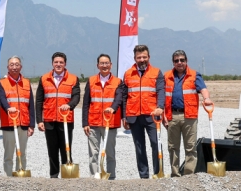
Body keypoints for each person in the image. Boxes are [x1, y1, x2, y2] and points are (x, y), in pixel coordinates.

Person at [164, 50, 213, 177]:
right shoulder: (167, 76)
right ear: (173, 62)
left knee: (190, 147)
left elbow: (203, 89)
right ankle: (175, 174)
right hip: (172, 116)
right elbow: (162, 96)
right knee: (173, 147)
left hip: (189, 116)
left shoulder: (195, 75)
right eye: (176, 60)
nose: (179, 63)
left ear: (186, 61)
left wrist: (206, 98)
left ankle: (188, 175)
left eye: (182, 60)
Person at [121, 44, 165, 179]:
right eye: (139, 57)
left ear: (149, 57)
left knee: (156, 144)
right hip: (133, 116)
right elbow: (124, 96)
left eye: (144, 57)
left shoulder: (156, 72)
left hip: (152, 115)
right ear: (134, 58)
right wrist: (124, 117)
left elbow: (161, 91)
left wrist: (160, 107)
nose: (142, 59)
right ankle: (144, 176)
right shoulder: (128, 74)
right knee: (139, 148)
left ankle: (158, 173)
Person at [36, 52, 81, 178]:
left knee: (66, 148)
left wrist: (69, 105)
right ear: (52, 63)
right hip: (49, 120)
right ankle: (54, 175)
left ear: (65, 64)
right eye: (56, 62)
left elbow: (76, 96)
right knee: (52, 150)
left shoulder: (73, 79)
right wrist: (39, 120)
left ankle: (67, 175)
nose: (58, 64)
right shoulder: (44, 78)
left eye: (61, 62)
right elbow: (39, 100)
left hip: (66, 120)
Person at [82, 54, 123, 180]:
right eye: (102, 63)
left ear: (111, 65)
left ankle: (111, 177)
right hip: (93, 123)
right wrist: (85, 123)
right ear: (97, 66)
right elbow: (86, 103)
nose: (104, 66)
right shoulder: (91, 81)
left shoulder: (118, 82)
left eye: (107, 63)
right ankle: (94, 176)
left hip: (110, 123)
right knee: (93, 153)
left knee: (110, 153)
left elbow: (119, 98)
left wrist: (113, 108)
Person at [0, 56, 35, 176]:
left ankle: (21, 175)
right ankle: (8, 177)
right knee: (9, 154)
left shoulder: (27, 83)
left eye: (17, 64)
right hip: (9, 123)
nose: (14, 67)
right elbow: (2, 100)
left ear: (21, 67)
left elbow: (31, 105)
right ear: (8, 67)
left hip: (24, 123)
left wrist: (31, 125)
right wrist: (8, 108)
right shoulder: (2, 83)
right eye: (11, 65)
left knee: (22, 152)